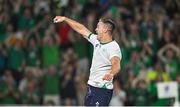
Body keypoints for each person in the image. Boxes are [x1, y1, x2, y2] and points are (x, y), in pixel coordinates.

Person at [53, 16, 122, 106]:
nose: (95, 29)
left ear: (105, 30)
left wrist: (111, 73)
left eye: (98, 27)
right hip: (91, 88)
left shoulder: (113, 47)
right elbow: (81, 29)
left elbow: (116, 64)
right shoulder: (96, 41)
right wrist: (65, 19)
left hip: (102, 90)